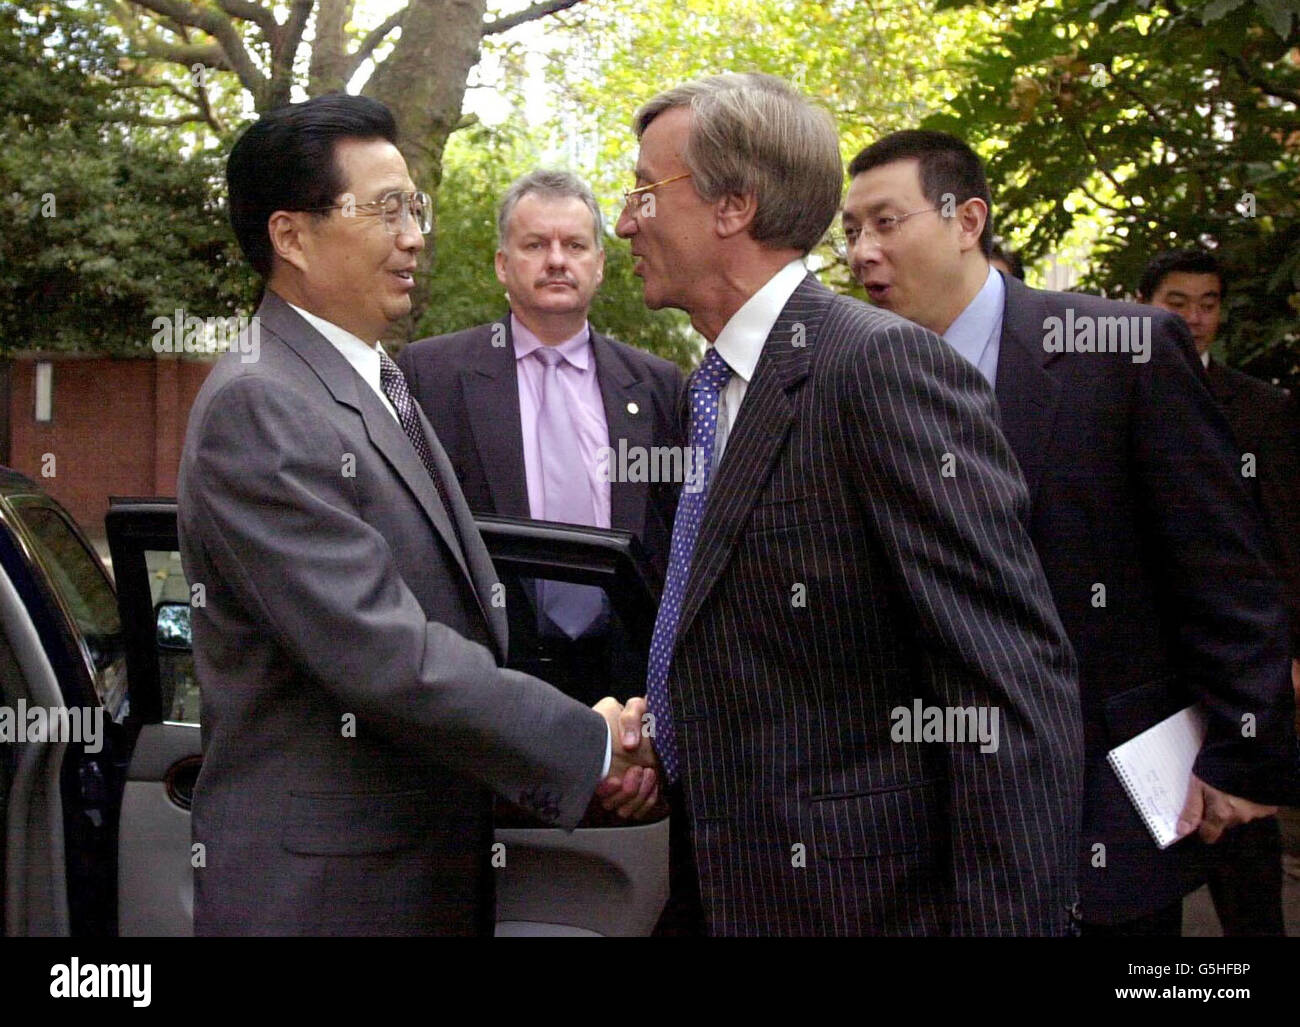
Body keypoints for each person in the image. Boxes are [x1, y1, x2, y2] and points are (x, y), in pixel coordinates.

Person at [607, 73, 1084, 936]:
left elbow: (1009, 693)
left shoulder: (879, 368)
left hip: (862, 905)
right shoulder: (705, 392)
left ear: (734, 206)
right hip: (723, 886)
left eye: (645, 189)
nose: (626, 219)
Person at [178, 94, 657, 937]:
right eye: (387, 209)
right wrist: (586, 740)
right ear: (291, 236)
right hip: (327, 897)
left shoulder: (377, 378)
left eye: (417, 208)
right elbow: (384, 654)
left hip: (409, 869)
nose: (414, 236)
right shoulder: (262, 403)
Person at [843, 129, 1297, 935]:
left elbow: (1223, 567)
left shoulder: (1119, 353)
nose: (861, 253)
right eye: (848, 231)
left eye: (884, 222)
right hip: (922, 813)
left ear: (966, 219)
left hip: (1101, 802)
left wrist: (1244, 750)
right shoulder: (860, 379)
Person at [397, 171, 685, 707]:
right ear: (503, 265)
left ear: (599, 265)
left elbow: (672, 545)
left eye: (574, 245)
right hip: (488, 683)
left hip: (628, 689)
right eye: (536, 245)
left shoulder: (658, 387)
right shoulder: (430, 375)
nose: (557, 260)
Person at [1139, 247, 1300, 936]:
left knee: (1244, 855)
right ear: (1143, 304)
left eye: (1209, 304)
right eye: (1179, 303)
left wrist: (1287, 660)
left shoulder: (1264, 409)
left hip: (1238, 665)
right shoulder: (1104, 394)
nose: (1196, 319)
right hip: (1143, 666)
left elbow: (1286, 543)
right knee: (1146, 867)